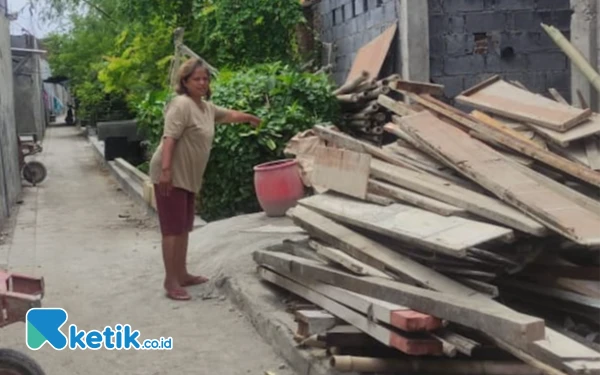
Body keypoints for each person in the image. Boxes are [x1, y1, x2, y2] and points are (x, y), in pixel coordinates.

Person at [149, 58, 261, 301]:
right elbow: (170, 138)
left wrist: (250, 117)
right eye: (196, 79)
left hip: (188, 178)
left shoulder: (205, 108)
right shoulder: (181, 105)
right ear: (185, 82)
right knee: (172, 229)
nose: (202, 83)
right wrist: (166, 171)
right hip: (171, 175)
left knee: (183, 228)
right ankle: (171, 282)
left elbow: (228, 115)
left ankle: (182, 273)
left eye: (205, 78)